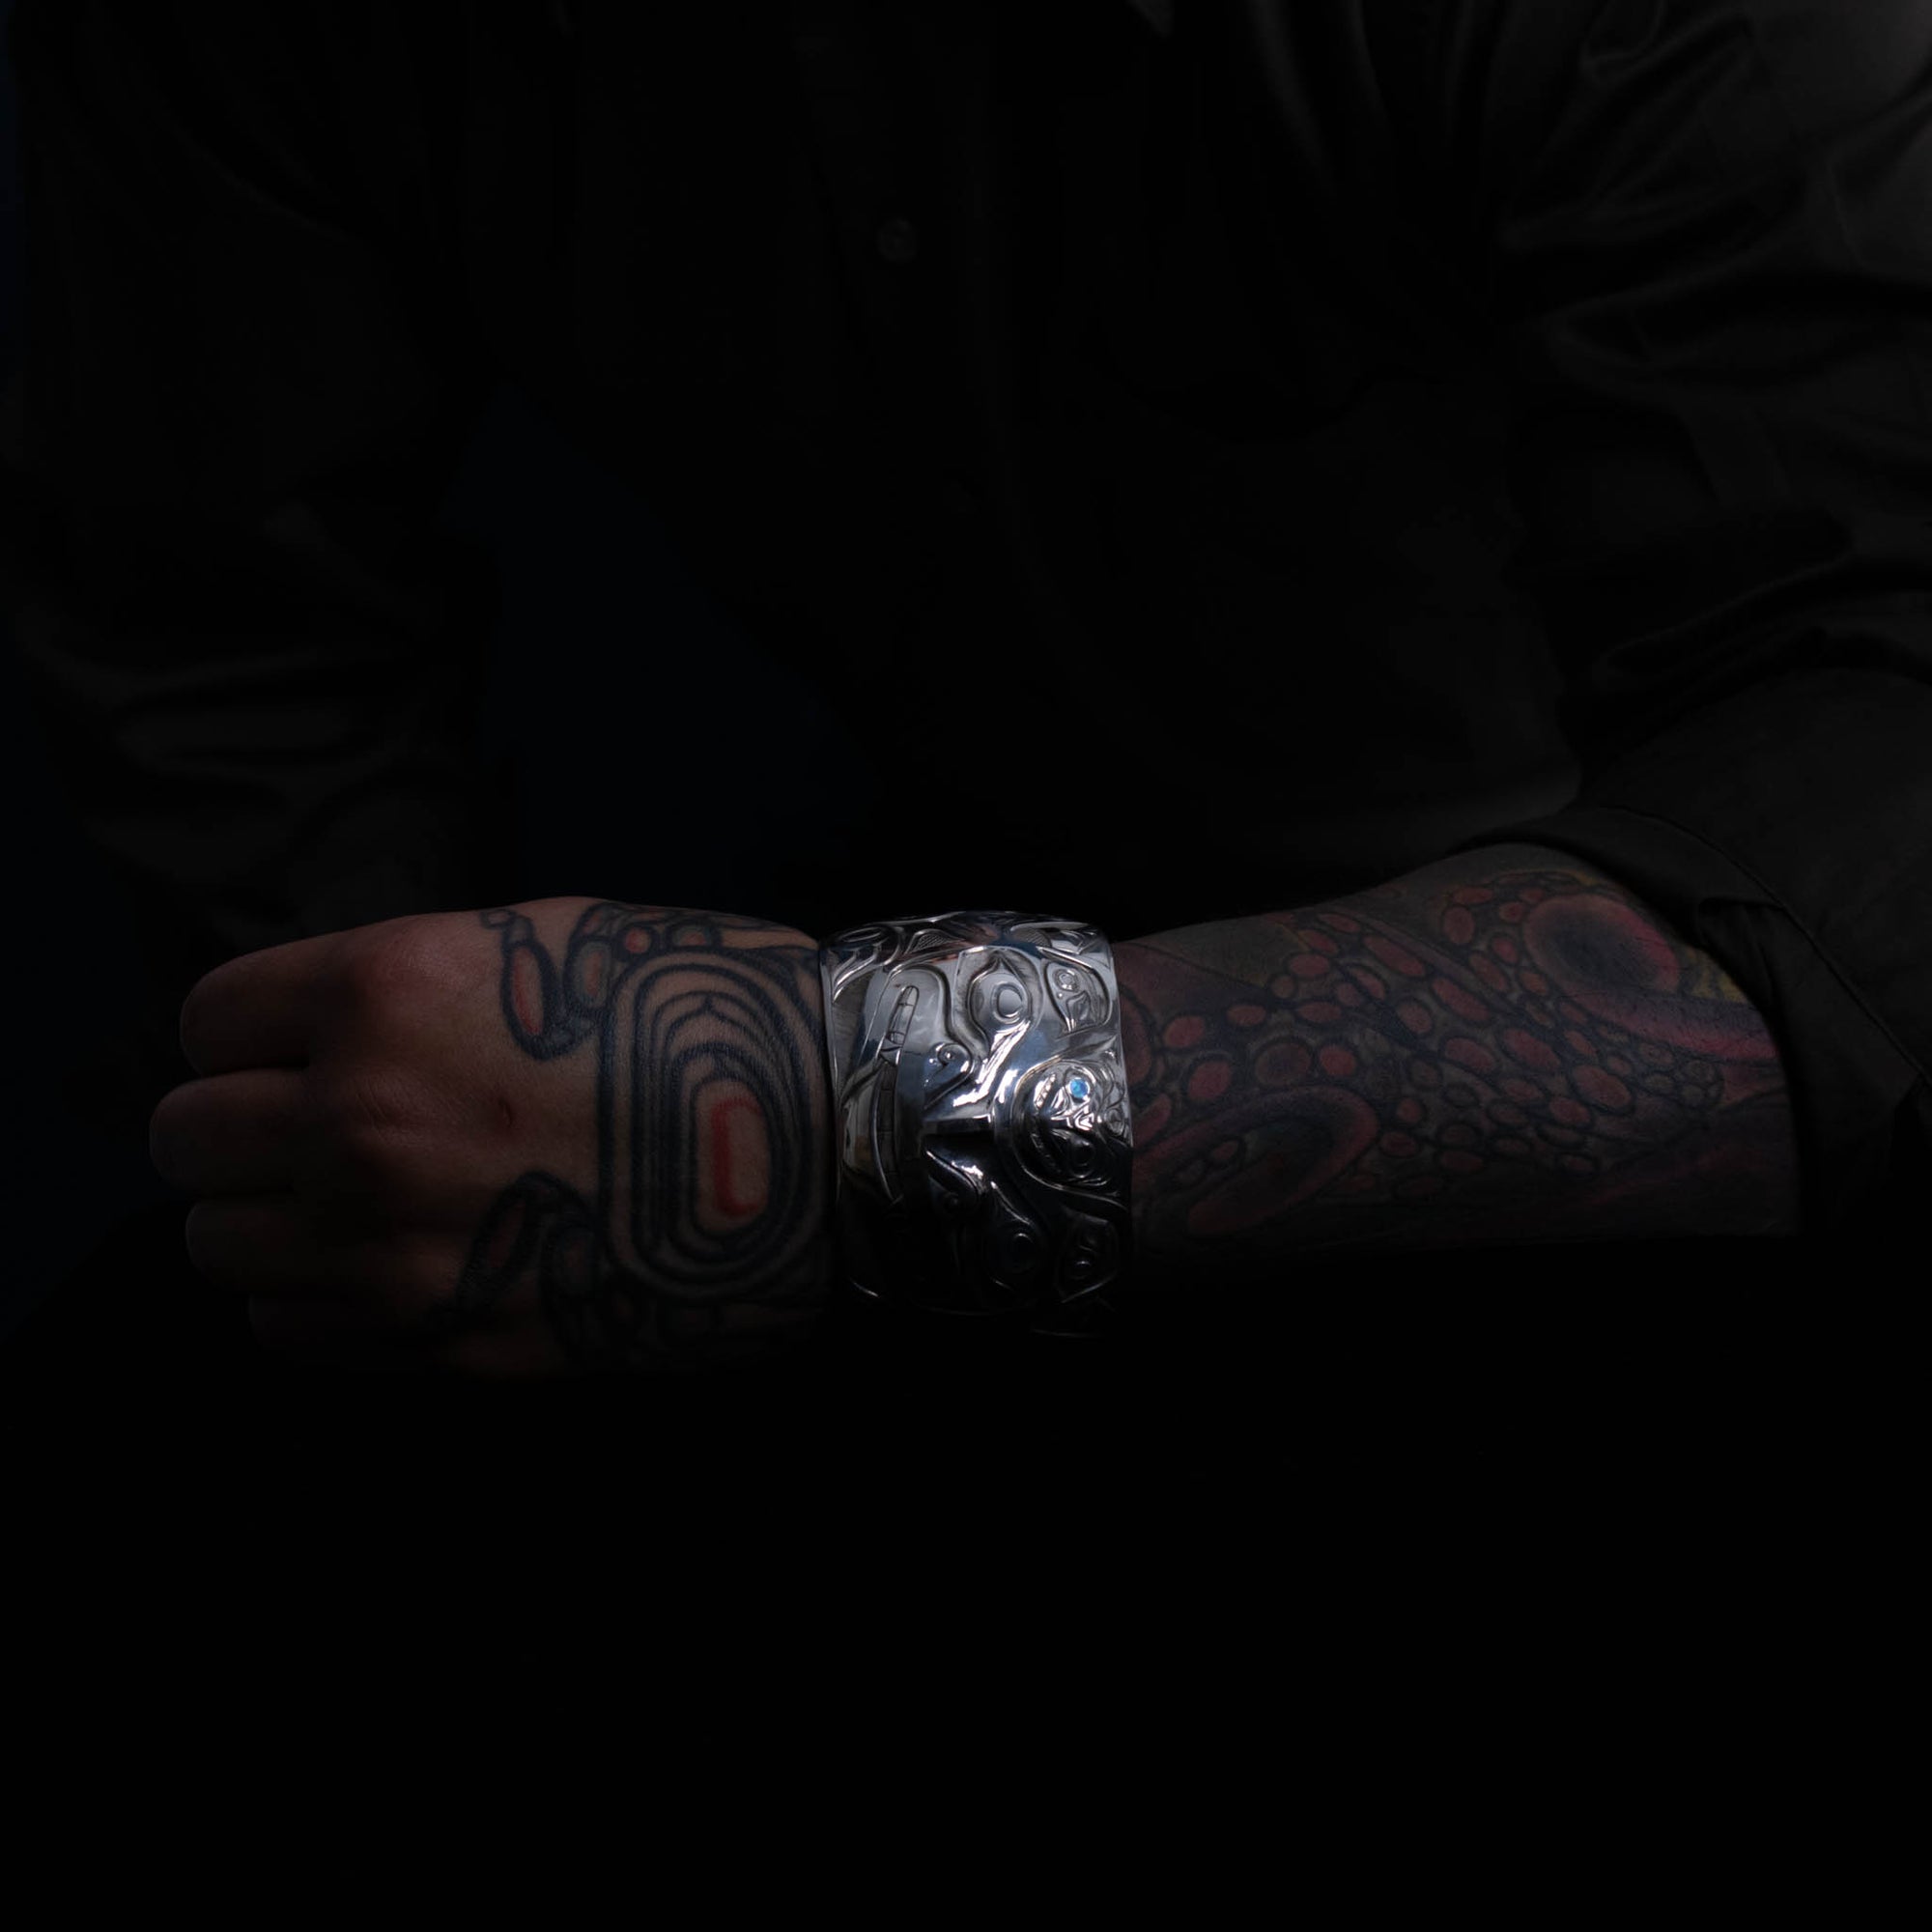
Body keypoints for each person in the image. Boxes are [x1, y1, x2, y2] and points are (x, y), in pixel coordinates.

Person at [0, 0, 1923, 1393]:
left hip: (1658, 1101)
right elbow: (225, 642)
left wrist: (846, 1112)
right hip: (880, 956)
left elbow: (1878, 812)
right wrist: (404, 1175)